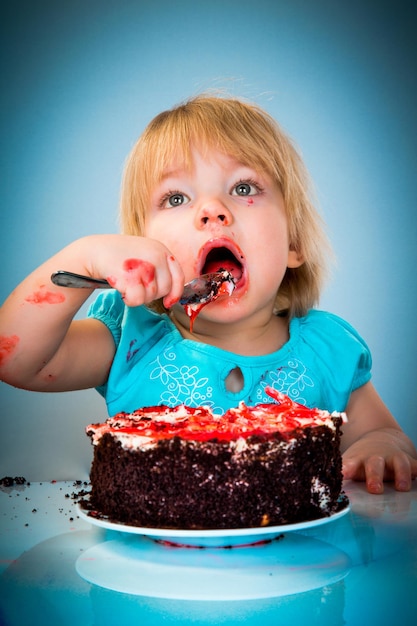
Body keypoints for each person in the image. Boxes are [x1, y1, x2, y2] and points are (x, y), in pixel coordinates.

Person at [0, 95, 416, 495]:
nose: (212, 210)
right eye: (176, 197)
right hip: (150, 562)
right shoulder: (131, 340)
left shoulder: (329, 352)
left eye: (243, 188)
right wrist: (84, 256)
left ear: (294, 244)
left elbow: (383, 434)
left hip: (298, 562)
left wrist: (382, 446)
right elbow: (17, 360)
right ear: (141, 248)